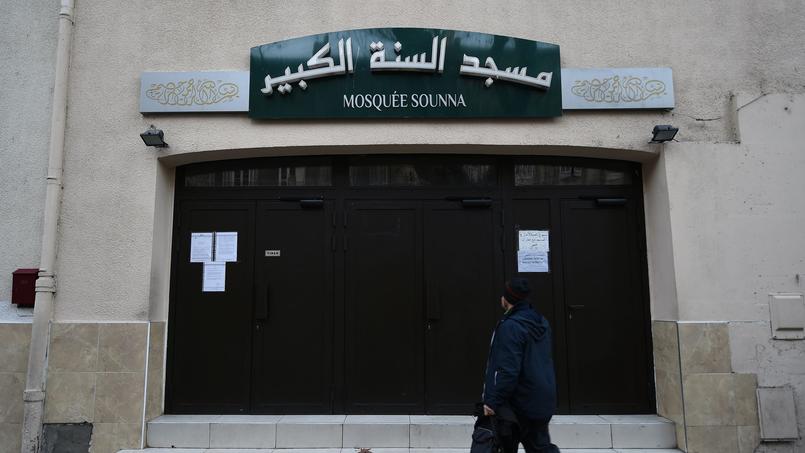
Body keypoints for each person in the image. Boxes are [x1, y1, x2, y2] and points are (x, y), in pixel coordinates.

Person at [482, 277, 560, 453]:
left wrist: (493, 401)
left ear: (507, 299)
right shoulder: (542, 322)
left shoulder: (510, 327)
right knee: (541, 447)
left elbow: (508, 370)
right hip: (541, 398)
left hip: (518, 403)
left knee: (503, 446)